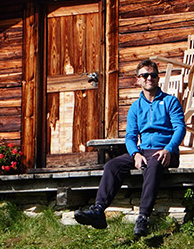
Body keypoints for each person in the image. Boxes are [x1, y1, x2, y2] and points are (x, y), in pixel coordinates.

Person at [74, 59, 185, 239]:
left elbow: (180, 128)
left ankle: (143, 218)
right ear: (138, 80)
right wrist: (135, 154)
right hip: (143, 151)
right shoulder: (135, 107)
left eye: (153, 75)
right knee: (112, 166)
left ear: (158, 78)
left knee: (154, 164)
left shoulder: (170, 101)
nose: (149, 78)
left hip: (165, 152)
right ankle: (98, 211)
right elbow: (130, 136)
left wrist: (169, 149)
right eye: (145, 75)